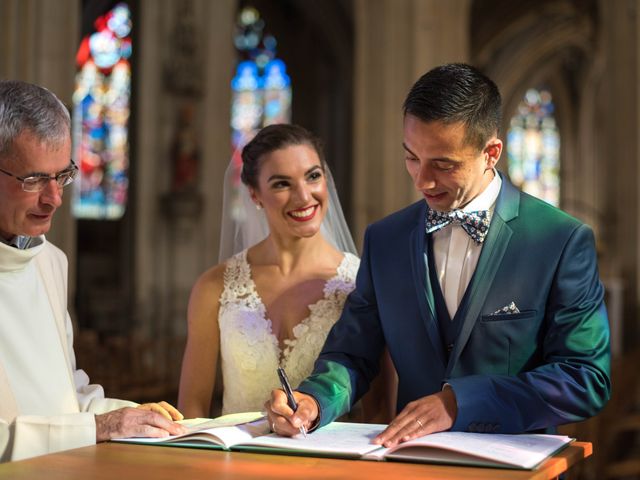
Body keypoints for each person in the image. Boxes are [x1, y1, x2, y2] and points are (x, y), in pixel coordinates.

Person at [265, 63, 611, 446]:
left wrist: (459, 403)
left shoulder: (559, 240)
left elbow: (585, 378)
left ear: (491, 153)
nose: (422, 180)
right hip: (410, 466)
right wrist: (314, 400)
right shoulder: (385, 240)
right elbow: (353, 353)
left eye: (443, 165)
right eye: (412, 157)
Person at [0, 80, 187, 462]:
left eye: (63, 176)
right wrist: (99, 427)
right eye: (34, 180)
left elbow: (65, 392)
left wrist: (128, 415)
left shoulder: (51, 260)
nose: (54, 198)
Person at [177, 123, 363, 418]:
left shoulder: (359, 283)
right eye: (281, 184)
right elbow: (192, 407)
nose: (303, 197)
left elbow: (378, 408)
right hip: (236, 460)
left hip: (330, 460)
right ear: (254, 194)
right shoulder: (214, 287)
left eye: (312, 176)